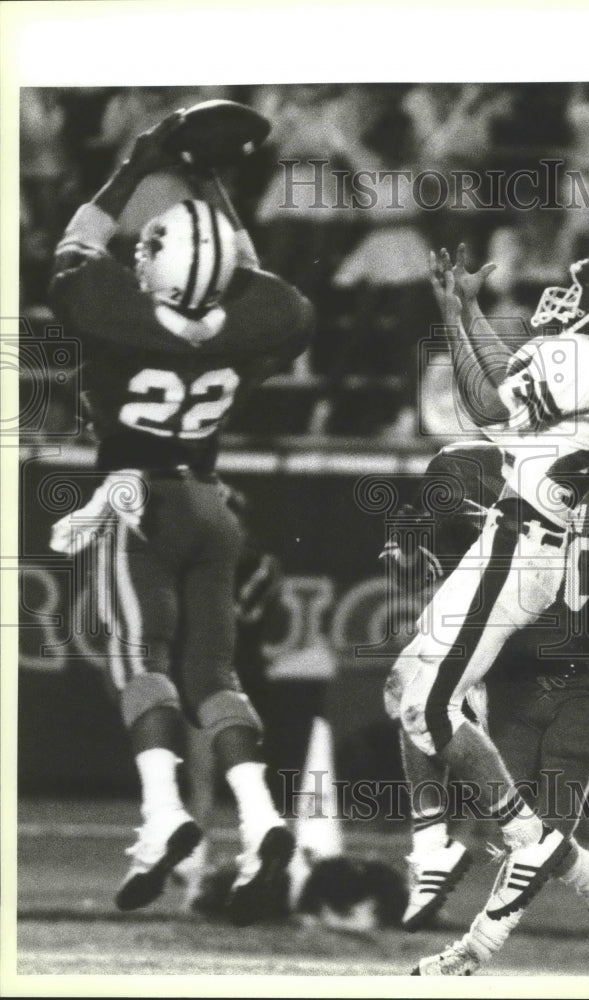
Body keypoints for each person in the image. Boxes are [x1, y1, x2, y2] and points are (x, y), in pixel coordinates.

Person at [47, 112, 315, 926]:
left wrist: (136, 166)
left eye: (152, 243)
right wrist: (211, 184)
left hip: (139, 500)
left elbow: (77, 244)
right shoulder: (258, 323)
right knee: (215, 678)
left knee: (136, 657)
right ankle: (262, 813)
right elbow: (262, 283)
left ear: (158, 266)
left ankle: (163, 811)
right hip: (211, 505)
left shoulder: (115, 317)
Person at [386, 241, 589, 954]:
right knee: (407, 681)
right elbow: (516, 378)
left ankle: (514, 838)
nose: (564, 295)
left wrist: (452, 318)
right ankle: (571, 866)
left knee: (428, 704)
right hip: (525, 530)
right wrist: (468, 310)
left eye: (583, 291)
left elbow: (484, 400)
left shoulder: (585, 361)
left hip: (521, 541)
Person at [380, 439, 589, 974]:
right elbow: (437, 569)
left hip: (586, 681)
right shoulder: (484, 466)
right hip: (515, 679)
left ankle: (473, 951)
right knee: (518, 833)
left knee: (539, 839)